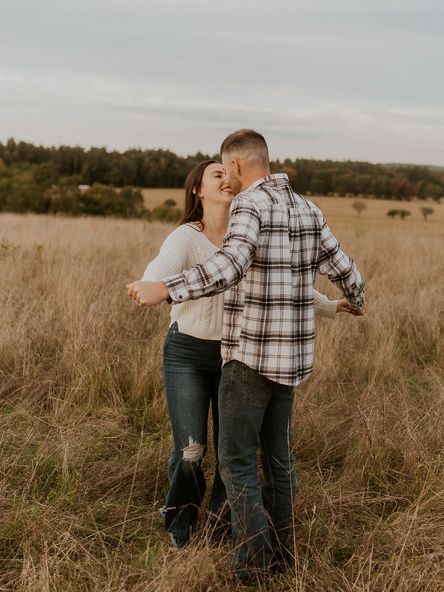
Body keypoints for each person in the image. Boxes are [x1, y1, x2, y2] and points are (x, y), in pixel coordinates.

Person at [127, 131, 365, 582]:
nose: (223, 179)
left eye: (223, 169)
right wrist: (356, 293)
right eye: (210, 175)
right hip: (239, 358)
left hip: (243, 357)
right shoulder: (300, 209)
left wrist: (167, 289)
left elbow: (256, 272)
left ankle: (242, 546)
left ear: (236, 168)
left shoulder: (250, 212)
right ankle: (209, 529)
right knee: (228, 454)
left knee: (235, 459)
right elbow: (335, 264)